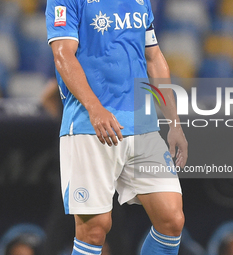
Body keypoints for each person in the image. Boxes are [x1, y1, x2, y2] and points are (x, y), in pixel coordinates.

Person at [45, 0, 188, 254]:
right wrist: (95, 108)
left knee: (172, 220)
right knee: (94, 230)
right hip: (89, 127)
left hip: (142, 125)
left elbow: (154, 57)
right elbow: (62, 54)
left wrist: (173, 122)